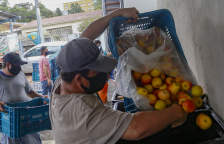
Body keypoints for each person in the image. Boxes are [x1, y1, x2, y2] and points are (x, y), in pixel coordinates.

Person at [49, 8, 188, 144]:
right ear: (79, 79)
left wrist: (116, 13)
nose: (104, 74)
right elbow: (136, 129)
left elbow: (85, 38)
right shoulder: (83, 112)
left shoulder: (64, 80)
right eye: (98, 70)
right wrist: (176, 112)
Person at [0, 52, 47, 144]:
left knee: (33, 140)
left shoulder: (21, 74)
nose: (19, 68)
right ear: (8, 65)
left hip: (27, 118)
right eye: (17, 65)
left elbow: (30, 92)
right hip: (9, 121)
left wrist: (43, 97)